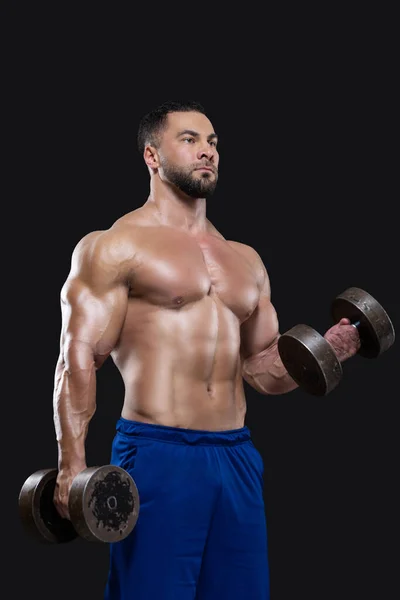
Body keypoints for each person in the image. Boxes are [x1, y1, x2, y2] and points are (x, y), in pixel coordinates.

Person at [52, 100, 360, 599]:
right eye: (190, 140)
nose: (207, 152)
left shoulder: (246, 260)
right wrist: (71, 465)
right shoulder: (115, 246)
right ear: (153, 157)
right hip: (157, 454)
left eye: (213, 142)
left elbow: (262, 370)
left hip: (236, 456)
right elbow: (80, 357)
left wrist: (326, 350)